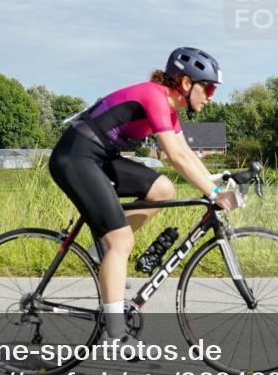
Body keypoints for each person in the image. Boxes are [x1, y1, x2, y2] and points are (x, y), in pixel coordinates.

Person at [48, 47, 239, 346]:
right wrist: (214, 194)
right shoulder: (154, 96)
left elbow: (187, 152)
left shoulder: (170, 108)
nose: (212, 96)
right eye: (209, 87)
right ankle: (115, 334)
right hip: (75, 156)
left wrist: (217, 180)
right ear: (186, 84)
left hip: (99, 157)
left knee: (163, 189)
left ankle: (103, 249)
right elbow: (175, 156)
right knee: (122, 241)